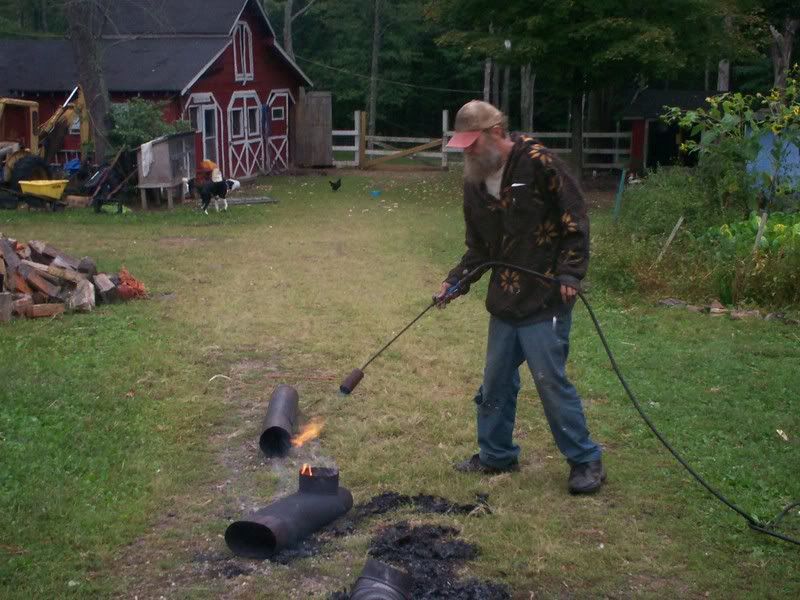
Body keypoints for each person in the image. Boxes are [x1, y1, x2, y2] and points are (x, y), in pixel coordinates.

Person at [436, 100, 605, 494]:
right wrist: (456, 281)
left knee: (549, 382)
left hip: (546, 296)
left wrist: (571, 271)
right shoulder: (475, 183)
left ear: (496, 132)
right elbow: (480, 248)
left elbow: (575, 216)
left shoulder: (538, 162)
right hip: (506, 300)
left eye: (472, 143)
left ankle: (585, 460)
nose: (468, 153)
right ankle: (496, 455)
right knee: (495, 383)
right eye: (463, 146)